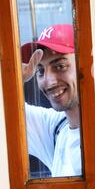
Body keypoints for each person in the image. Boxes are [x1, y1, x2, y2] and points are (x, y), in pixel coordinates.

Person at [21, 24, 82, 177]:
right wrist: (16, 77)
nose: (49, 81)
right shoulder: (57, 127)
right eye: (40, 70)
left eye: (60, 66)